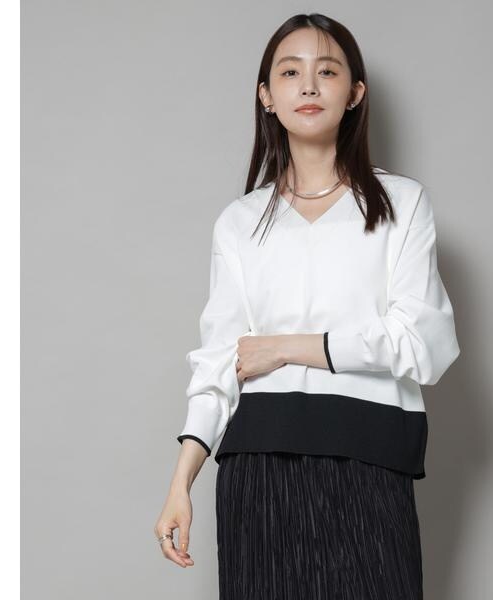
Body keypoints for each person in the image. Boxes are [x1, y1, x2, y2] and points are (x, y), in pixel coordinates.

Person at [154, 12, 460, 600]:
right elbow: (220, 361)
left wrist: (288, 348)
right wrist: (181, 482)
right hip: (258, 469)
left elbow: (426, 345)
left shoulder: (401, 203)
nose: (310, 85)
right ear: (267, 96)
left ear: (355, 93)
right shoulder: (240, 222)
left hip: (371, 459)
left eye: (328, 71)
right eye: (290, 72)